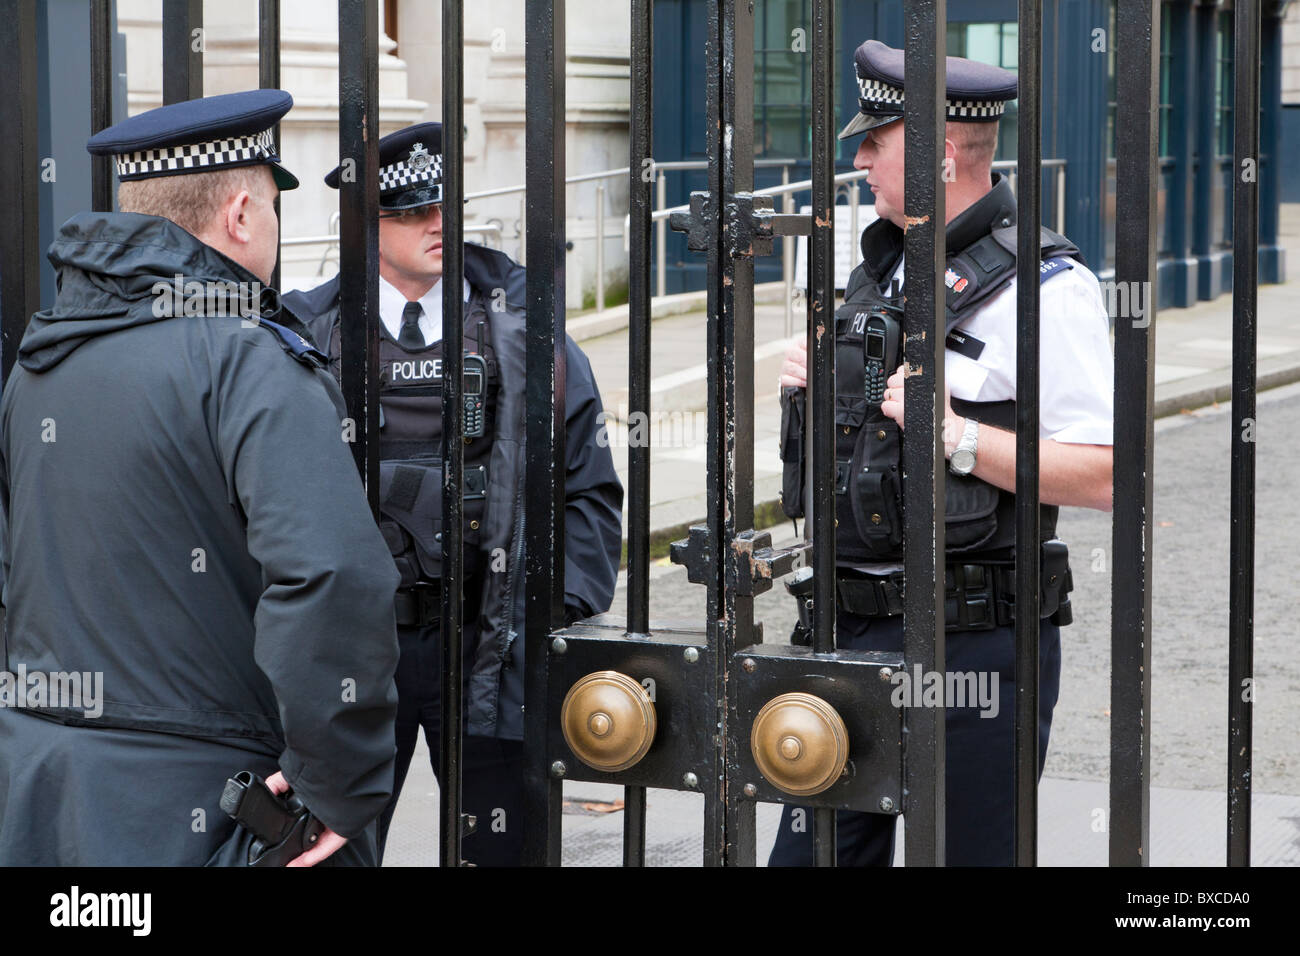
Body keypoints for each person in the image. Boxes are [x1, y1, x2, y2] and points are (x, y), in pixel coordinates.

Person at [0, 89, 401, 867]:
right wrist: (341, 784)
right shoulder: (251, 357)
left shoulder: (41, 361)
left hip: (47, 786)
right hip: (210, 800)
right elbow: (332, 575)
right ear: (242, 213)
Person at [772, 40, 1114, 866]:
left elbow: (1106, 473)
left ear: (937, 155)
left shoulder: (1047, 287)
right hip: (848, 630)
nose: (857, 159)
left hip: (973, 648)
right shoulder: (879, 269)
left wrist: (958, 436)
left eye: (875, 141)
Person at [284, 122, 623, 866]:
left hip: (487, 646)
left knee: (504, 849)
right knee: (326, 852)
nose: (438, 223)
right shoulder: (305, 333)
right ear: (363, 223)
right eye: (410, 210)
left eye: (447, 205)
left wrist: (543, 612)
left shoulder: (524, 332)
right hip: (351, 652)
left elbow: (590, 492)